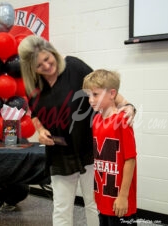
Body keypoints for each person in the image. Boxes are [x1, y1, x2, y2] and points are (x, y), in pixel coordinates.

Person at [18, 35, 136, 226]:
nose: (47, 66)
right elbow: (34, 114)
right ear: (31, 69)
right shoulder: (33, 87)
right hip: (59, 154)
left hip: (90, 149)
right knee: (62, 207)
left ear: (52, 52)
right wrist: (40, 130)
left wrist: (127, 104)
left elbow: (103, 88)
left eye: (47, 59)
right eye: (39, 66)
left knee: (93, 203)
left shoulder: (73, 66)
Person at [82, 69, 137, 226]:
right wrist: (97, 191)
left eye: (95, 94)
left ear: (112, 94)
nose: (90, 100)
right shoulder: (97, 119)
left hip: (119, 199)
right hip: (103, 196)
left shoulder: (122, 120)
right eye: (89, 95)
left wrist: (123, 196)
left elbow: (130, 159)